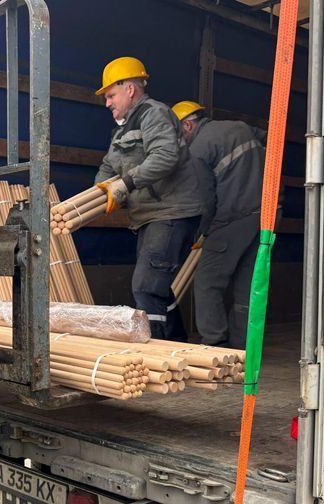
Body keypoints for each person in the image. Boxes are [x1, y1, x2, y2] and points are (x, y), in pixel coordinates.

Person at [94, 57, 206, 341]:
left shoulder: (154, 114)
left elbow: (165, 157)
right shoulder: (122, 128)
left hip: (170, 212)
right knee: (158, 287)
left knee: (145, 286)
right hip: (149, 216)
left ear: (130, 88)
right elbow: (109, 166)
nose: (107, 103)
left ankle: (154, 355)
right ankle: (178, 344)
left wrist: (125, 183)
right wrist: (96, 195)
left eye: (111, 95)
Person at [173, 101, 267, 349]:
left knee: (207, 281)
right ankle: (242, 348)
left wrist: (204, 231)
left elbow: (206, 199)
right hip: (266, 215)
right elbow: (268, 139)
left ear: (188, 125)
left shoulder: (199, 149)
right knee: (247, 285)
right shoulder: (239, 127)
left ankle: (215, 343)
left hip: (232, 217)